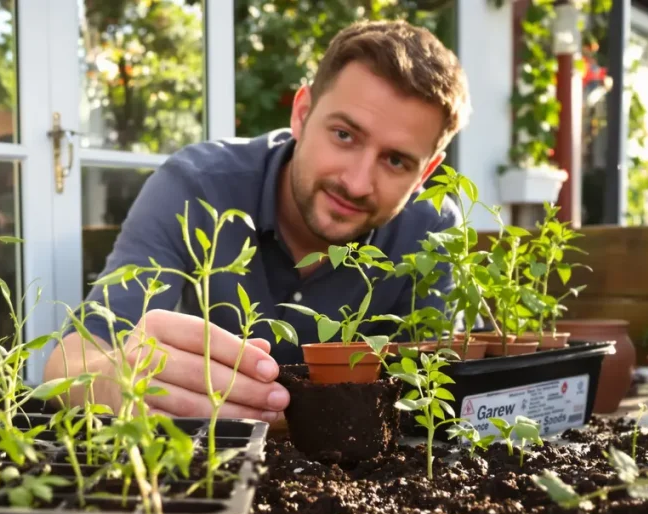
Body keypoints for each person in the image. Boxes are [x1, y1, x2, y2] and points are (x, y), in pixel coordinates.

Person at [42, 19, 472, 423]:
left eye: (395, 160)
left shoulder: (432, 230)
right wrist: (125, 386)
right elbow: (70, 361)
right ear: (302, 113)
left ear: (427, 172)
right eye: (344, 135)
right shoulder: (197, 186)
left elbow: (431, 394)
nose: (357, 183)